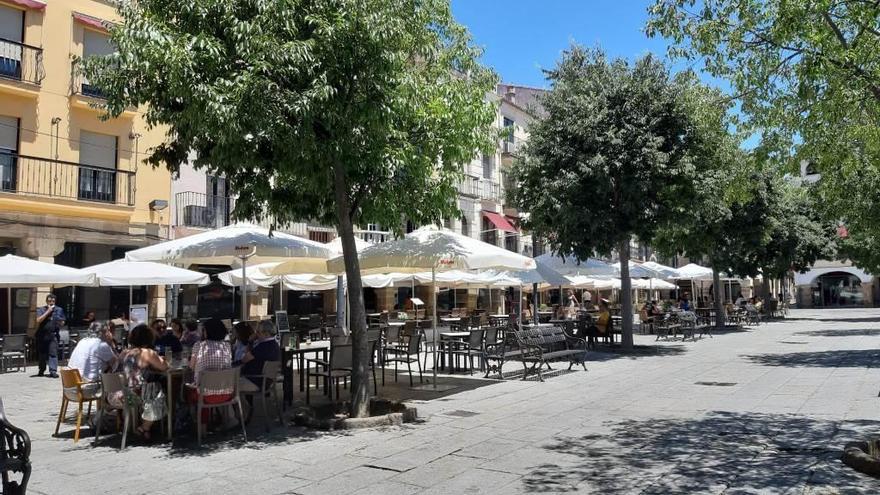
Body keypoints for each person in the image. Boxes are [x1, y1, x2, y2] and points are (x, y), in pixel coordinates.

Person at [107, 324, 169, 440]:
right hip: (130, 397)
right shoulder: (147, 352)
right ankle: (144, 428)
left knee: (147, 389)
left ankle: (133, 424)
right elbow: (164, 367)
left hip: (112, 395)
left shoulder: (124, 352)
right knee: (157, 391)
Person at [187, 318, 233, 423]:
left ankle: (198, 422)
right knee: (203, 383)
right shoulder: (227, 346)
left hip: (204, 395)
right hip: (226, 392)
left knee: (188, 389)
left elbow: (191, 367)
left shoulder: (199, 346)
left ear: (206, 331)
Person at [67, 321, 118, 390]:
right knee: (118, 376)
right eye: (107, 331)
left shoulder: (82, 341)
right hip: (87, 386)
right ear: (102, 333)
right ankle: (109, 399)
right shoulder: (101, 345)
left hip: (72, 385)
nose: (108, 334)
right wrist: (111, 343)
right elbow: (116, 362)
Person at [239, 320, 281, 392]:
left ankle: (242, 403)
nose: (256, 334)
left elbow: (244, 359)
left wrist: (250, 341)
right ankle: (245, 403)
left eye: (258, 332)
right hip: (266, 381)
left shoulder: (263, 346)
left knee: (228, 385)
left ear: (266, 334)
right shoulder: (275, 344)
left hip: (256, 381)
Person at [35, 294, 66, 378]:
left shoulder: (59, 310)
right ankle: (41, 370)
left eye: (53, 301)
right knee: (42, 354)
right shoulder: (41, 309)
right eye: (49, 301)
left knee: (53, 353)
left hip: (53, 335)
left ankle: (53, 371)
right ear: (46, 301)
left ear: (55, 301)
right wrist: (48, 311)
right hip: (42, 335)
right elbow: (38, 320)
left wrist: (60, 322)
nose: (51, 303)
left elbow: (63, 322)